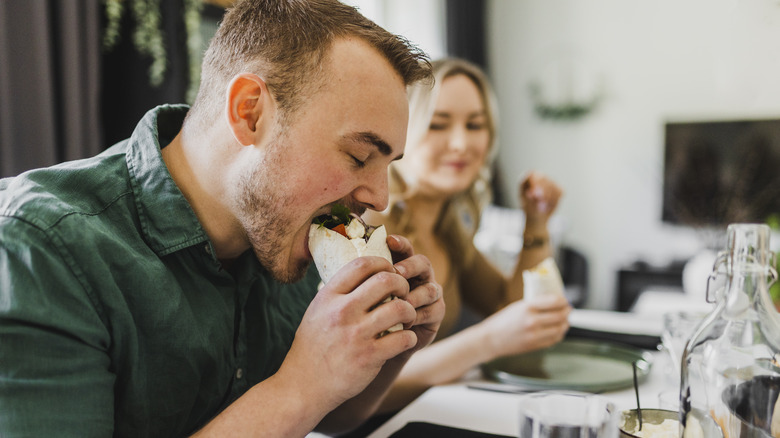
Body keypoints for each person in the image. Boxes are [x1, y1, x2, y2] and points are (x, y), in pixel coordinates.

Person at [0, 1, 445, 436]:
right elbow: (303, 398)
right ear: (249, 112)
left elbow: (332, 418)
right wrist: (302, 384)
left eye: (388, 165)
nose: (380, 198)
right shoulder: (40, 248)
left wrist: (393, 347)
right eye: (358, 155)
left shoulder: (283, 231)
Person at [363, 58, 571, 412]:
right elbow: (363, 392)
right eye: (439, 124)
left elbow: (513, 306)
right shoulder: (371, 233)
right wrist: (487, 340)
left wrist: (536, 223)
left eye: (475, 124)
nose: (460, 143)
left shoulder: (451, 229)